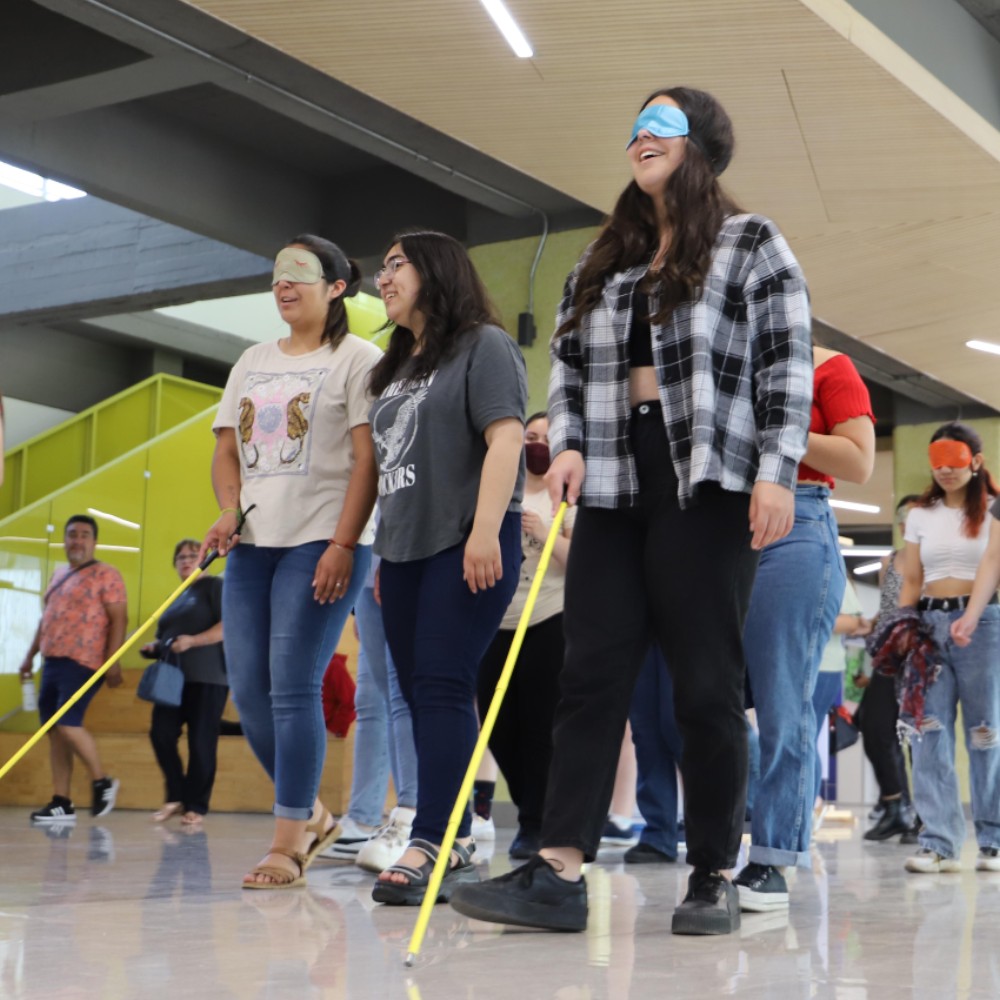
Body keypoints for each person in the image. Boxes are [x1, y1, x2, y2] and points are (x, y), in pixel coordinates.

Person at [451, 86, 813, 936]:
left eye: (661, 126)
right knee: (591, 672)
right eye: (635, 127)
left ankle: (714, 869)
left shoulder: (750, 242)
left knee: (704, 685)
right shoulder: (604, 256)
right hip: (614, 480)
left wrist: (778, 471)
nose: (640, 138)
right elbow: (568, 362)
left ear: (702, 147)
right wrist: (566, 437)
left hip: (710, 480)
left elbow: (784, 358)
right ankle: (559, 869)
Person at [201, 234, 380, 888]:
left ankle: (286, 843)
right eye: (277, 275)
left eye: (300, 273)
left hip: (323, 541)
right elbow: (227, 451)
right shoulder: (251, 361)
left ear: (336, 286)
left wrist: (343, 541)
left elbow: (370, 459)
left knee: (294, 685)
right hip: (252, 544)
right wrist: (228, 508)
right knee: (248, 691)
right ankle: (313, 812)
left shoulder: (360, 359)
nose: (283, 284)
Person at [367, 230, 527, 905]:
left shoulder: (483, 345)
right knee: (421, 690)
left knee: (440, 685)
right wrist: (384, 547)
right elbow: (390, 469)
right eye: (381, 266)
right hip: (402, 549)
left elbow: (507, 436)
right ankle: (455, 831)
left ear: (436, 271)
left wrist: (487, 529)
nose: (383, 277)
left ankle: (430, 838)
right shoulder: (398, 364)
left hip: (465, 540)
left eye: (395, 263)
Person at [735, 344, 874, 912]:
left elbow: (860, 462)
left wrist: (772, 431)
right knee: (704, 698)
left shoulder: (826, 365)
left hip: (799, 519)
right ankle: (727, 837)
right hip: (722, 523)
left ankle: (774, 856)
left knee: (781, 705)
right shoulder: (721, 363)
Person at [893, 422, 1000, 874]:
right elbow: (912, 577)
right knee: (928, 729)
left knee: (984, 731)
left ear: (974, 461)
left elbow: (992, 567)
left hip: (984, 623)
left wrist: (971, 616)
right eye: (937, 464)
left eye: (954, 463)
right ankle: (939, 842)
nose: (945, 472)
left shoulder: (995, 509)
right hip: (929, 625)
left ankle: (993, 839)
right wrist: (903, 625)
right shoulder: (919, 514)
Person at [476, 411, 575, 859]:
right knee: (498, 729)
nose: (536, 445)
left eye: (545, 439)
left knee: (539, 728)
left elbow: (582, 565)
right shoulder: (501, 491)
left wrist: (542, 533)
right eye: (529, 437)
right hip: (496, 621)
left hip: (549, 620)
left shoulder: (566, 499)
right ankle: (527, 806)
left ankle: (535, 823)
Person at [19, 514, 126, 823]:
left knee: (68, 723)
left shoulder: (108, 574)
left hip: (84, 662)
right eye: (72, 534)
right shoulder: (58, 575)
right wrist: (29, 657)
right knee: (55, 732)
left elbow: (120, 619)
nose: (77, 540)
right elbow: (45, 619)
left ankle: (102, 781)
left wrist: (113, 660)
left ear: (94, 541)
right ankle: (61, 801)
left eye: (84, 535)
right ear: (64, 540)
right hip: (51, 662)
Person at [141, 538, 228, 826]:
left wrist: (193, 641)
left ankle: (196, 806)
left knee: (201, 742)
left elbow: (228, 627)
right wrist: (156, 646)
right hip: (172, 679)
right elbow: (166, 634)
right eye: (181, 557)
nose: (187, 560)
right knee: (161, 733)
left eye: (194, 554)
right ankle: (175, 796)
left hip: (208, 677)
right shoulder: (175, 597)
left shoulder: (214, 586)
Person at [858, 495, 921, 842]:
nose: (906, 524)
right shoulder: (890, 561)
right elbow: (886, 610)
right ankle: (895, 804)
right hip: (888, 659)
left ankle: (923, 818)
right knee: (875, 727)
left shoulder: (933, 561)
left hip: (921, 658)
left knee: (917, 737)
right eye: (902, 518)